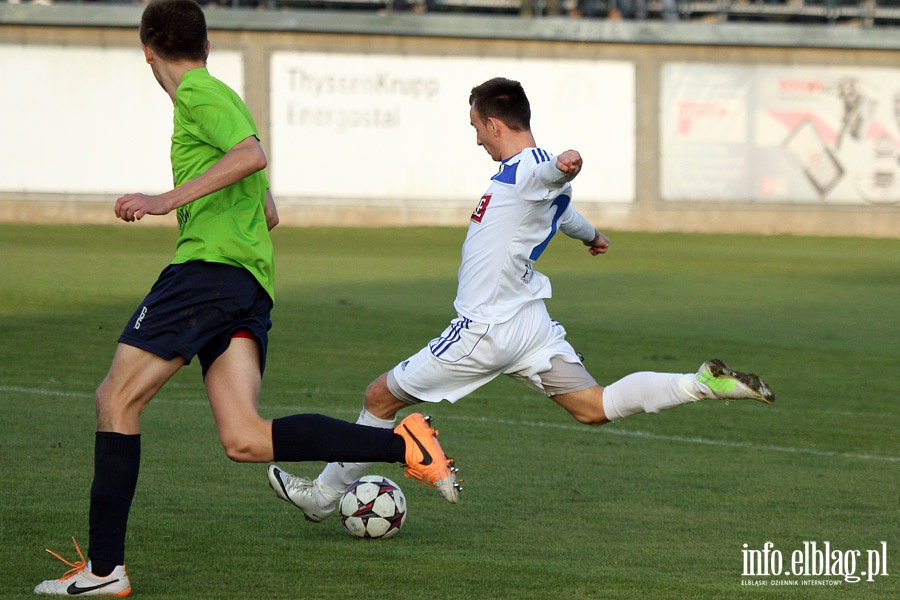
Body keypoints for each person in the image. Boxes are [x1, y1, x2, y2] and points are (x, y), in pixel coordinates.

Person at [33, 0, 456, 596]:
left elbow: (252, 156)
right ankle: (404, 444)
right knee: (245, 438)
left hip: (206, 275)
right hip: (246, 286)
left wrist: (165, 200)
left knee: (115, 401)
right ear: (206, 46)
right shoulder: (220, 100)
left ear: (146, 48)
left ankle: (105, 570)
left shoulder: (199, 96)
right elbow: (269, 211)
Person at [267, 76, 775, 523]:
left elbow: (552, 173)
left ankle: (325, 495)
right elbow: (563, 210)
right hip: (531, 326)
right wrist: (592, 234)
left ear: (493, 124)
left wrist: (567, 164)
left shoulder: (530, 168)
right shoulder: (529, 182)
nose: (476, 139)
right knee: (593, 407)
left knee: (380, 397)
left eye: (475, 128)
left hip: (485, 328)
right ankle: (699, 384)